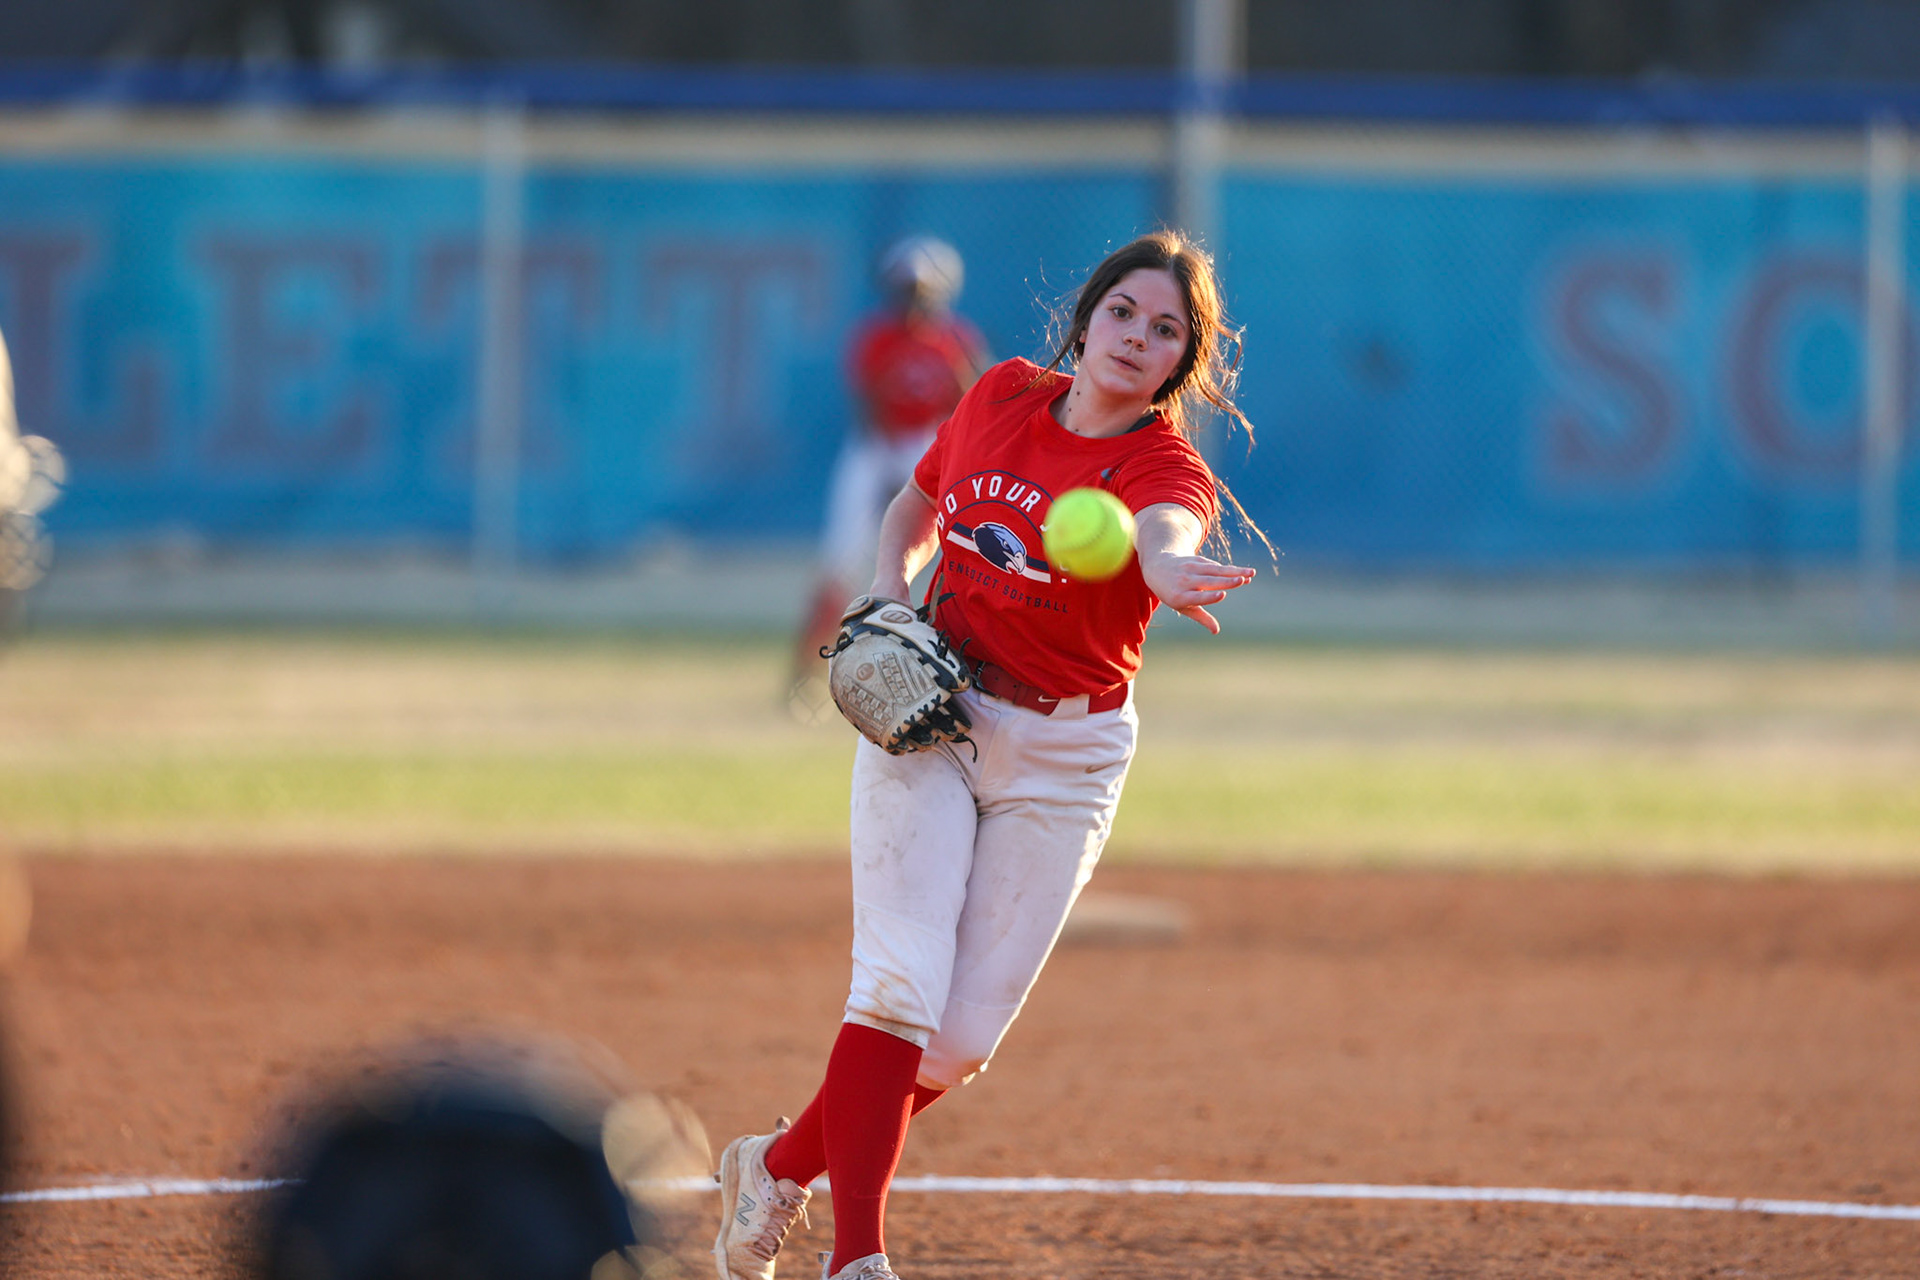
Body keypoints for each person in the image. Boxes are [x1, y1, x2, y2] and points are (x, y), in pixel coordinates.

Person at [717, 229, 1261, 1280]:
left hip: (1069, 754)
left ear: (1181, 362)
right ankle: (857, 1257)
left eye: (1166, 331)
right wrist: (886, 581)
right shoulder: (1002, 395)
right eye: (1123, 314)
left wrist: (1170, 569)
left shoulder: (1163, 465)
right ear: (1086, 317)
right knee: (896, 988)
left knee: (956, 1043)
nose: (1137, 339)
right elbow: (918, 503)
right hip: (938, 714)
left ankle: (776, 1163)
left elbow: (1164, 534)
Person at [789, 236, 989, 708]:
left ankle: (952, 675)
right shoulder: (876, 337)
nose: (911, 301)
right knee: (840, 561)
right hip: (878, 448)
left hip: (929, 445)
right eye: (904, 290)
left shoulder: (957, 341)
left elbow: (972, 406)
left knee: (957, 563)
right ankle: (804, 676)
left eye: (920, 290)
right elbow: (870, 411)